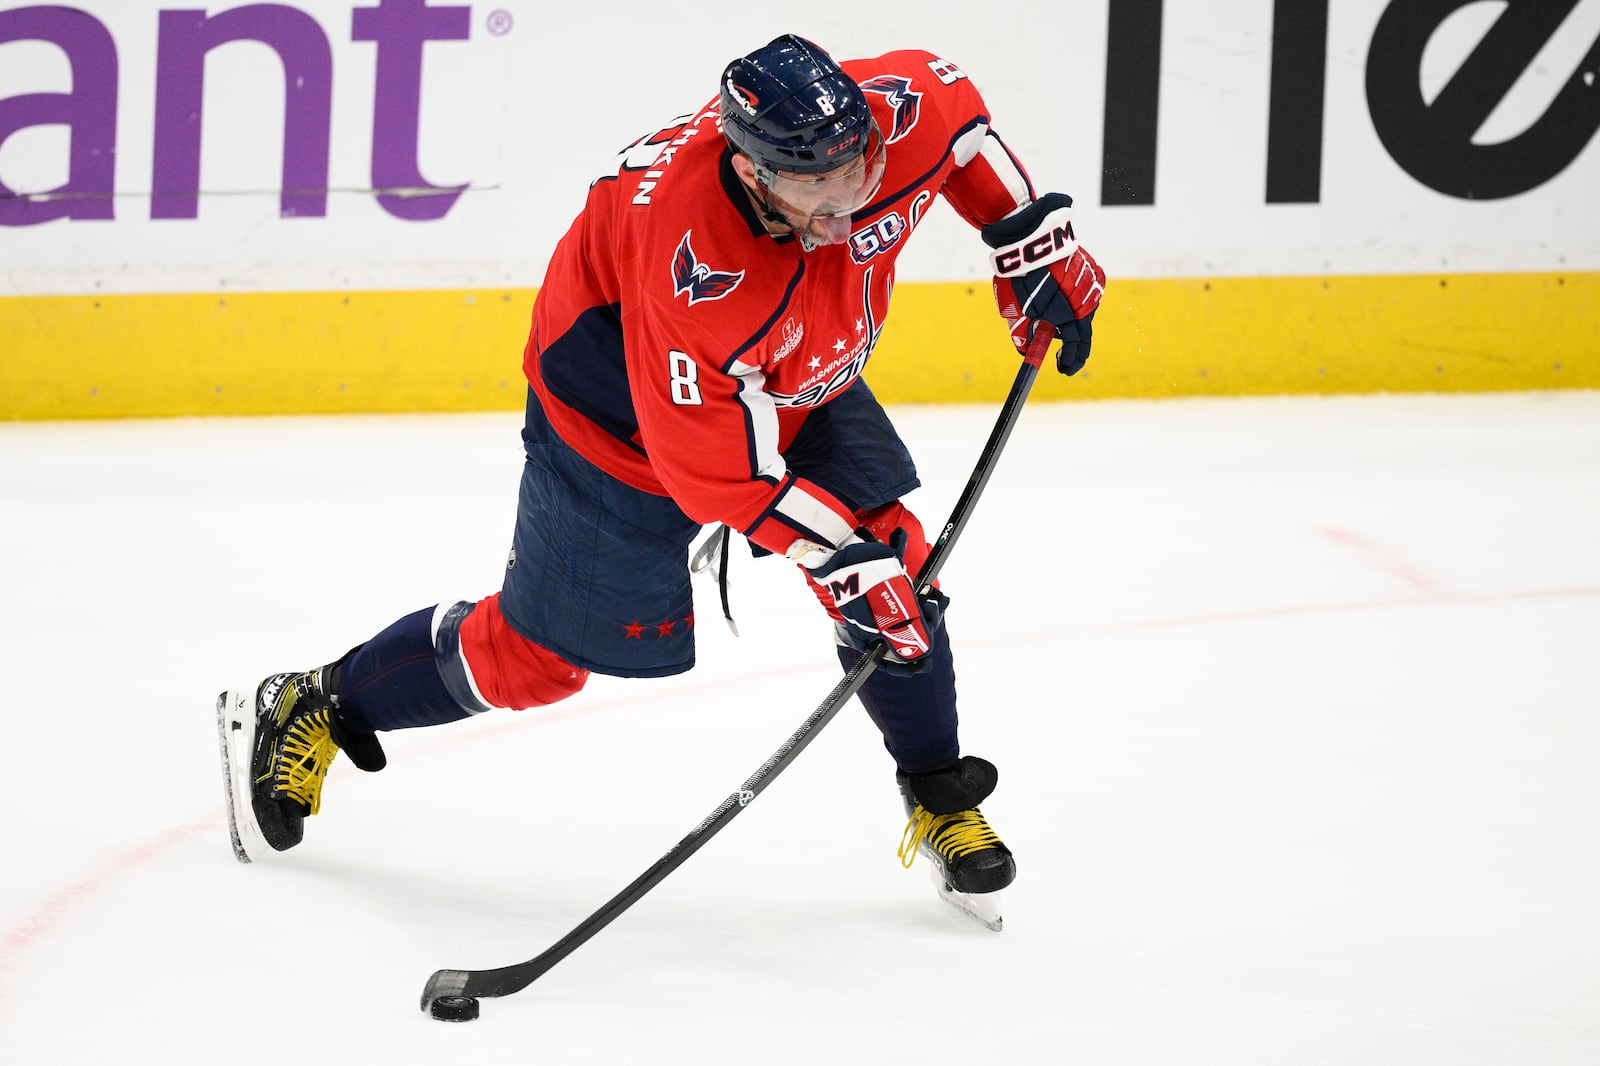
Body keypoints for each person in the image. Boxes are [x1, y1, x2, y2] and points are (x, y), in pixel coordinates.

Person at [218, 35, 1105, 908]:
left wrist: (1030, 238)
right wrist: (842, 559)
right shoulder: (696, 271)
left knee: (899, 574)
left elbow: (967, 131)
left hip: (798, 370)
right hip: (622, 427)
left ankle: (941, 793)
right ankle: (323, 701)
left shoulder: (881, 118)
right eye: (819, 193)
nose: (848, 208)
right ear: (755, 173)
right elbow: (722, 480)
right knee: (537, 664)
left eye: (861, 172)